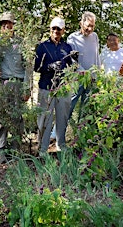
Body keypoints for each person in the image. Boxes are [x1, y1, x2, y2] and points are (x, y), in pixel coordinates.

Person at [0, 11, 30, 163]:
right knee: (1, 118)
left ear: (13, 26)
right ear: (0, 27)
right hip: (0, 85)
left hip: (17, 84)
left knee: (17, 118)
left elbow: (28, 66)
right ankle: (0, 152)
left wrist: (27, 88)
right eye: (4, 25)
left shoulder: (21, 44)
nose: (6, 28)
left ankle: (16, 152)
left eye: (9, 25)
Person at [34, 17, 73, 154]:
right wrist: (49, 66)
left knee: (62, 117)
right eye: (54, 28)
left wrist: (72, 67)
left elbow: (72, 67)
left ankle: (61, 145)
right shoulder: (42, 46)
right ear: (50, 29)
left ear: (63, 31)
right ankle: (42, 149)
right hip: (46, 87)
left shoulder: (67, 47)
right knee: (45, 118)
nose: (56, 31)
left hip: (63, 88)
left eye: (59, 29)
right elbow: (36, 67)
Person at [67, 11, 101, 121]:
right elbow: (71, 59)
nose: (90, 29)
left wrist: (98, 73)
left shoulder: (95, 37)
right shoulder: (73, 38)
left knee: (86, 108)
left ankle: (80, 133)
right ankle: (56, 132)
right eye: (88, 26)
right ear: (81, 23)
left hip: (92, 80)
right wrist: (83, 72)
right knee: (69, 105)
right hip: (78, 79)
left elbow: (96, 56)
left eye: (92, 26)